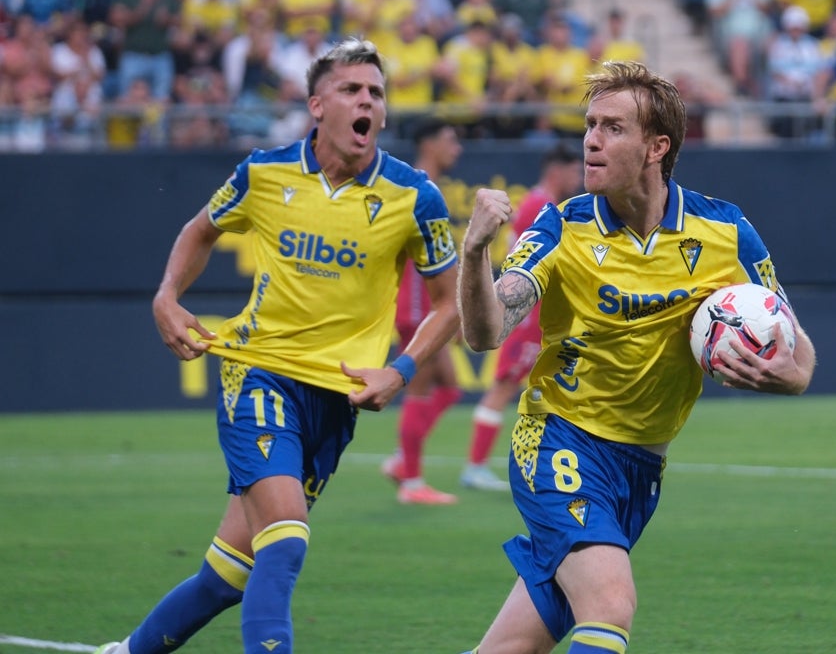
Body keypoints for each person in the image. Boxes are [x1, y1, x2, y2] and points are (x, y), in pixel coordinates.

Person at [92, 39, 461, 654]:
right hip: (258, 374)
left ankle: (128, 652)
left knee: (227, 575)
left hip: (334, 398)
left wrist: (399, 370)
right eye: (351, 90)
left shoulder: (413, 196)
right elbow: (200, 230)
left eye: (375, 92)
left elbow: (449, 302)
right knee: (286, 540)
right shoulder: (265, 172)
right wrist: (166, 295)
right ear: (318, 105)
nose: (366, 101)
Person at [456, 60, 816, 654]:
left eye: (613, 128)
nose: (592, 140)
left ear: (657, 147)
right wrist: (474, 255)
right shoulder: (561, 227)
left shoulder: (726, 232)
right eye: (590, 125)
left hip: (640, 470)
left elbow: (794, 345)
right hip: (559, 441)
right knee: (610, 607)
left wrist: (787, 376)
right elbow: (485, 333)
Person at [459, 141, 584, 492]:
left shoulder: (542, 204)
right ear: (556, 171)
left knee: (546, 389)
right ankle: (475, 465)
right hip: (527, 316)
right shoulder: (538, 206)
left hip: (541, 316)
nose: (578, 178)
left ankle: (546, 463)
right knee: (503, 387)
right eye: (574, 170)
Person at [380, 117, 468, 505]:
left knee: (449, 388)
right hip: (418, 303)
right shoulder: (417, 187)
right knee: (418, 388)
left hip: (426, 301)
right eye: (450, 139)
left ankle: (404, 463)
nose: (457, 148)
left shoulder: (424, 187)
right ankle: (412, 482)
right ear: (430, 143)